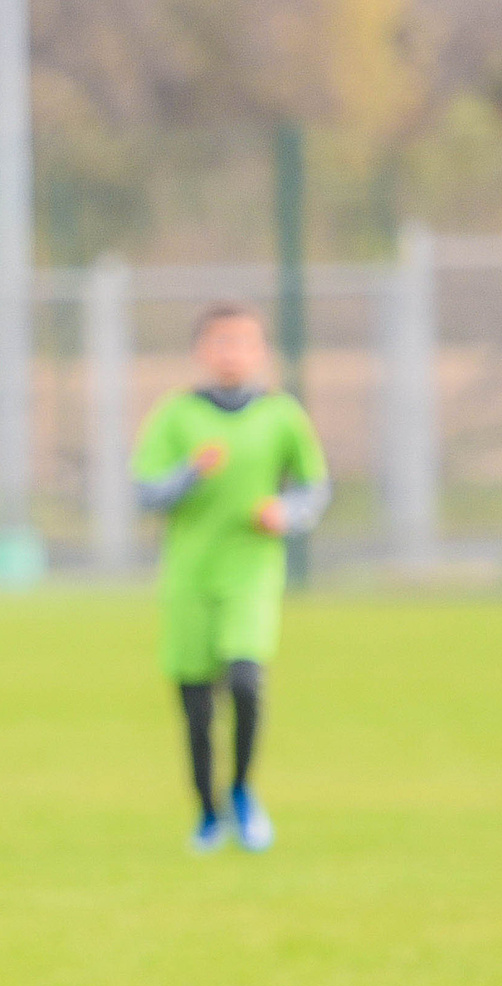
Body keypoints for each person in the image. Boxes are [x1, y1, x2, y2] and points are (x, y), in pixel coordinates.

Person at [131, 302, 330, 852]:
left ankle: (242, 791)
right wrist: (191, 472)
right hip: (189, 577)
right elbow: (145, 492)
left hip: (252, 572)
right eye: (220, 342)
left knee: (244, 682)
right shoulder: (177, 416)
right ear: (200, 351)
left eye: (243, 342)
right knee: (195, 703)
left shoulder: (282, 416)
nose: (231, 353)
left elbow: (316, 487)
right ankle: (207, 809)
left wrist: (287, 515)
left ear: (261, 352)